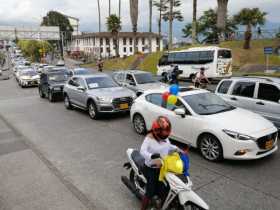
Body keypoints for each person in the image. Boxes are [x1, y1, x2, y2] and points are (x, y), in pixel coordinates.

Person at [139, 116, 180, 210]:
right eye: (164, 133)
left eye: (167, 133)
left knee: (165, 187)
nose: (165, 135)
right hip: (151, 169)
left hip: (163, 167)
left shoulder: (164, 137)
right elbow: (142, 151)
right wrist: (151, 156)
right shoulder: (149, 139)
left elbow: (168, 146)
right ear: (157, 131)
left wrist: (177, 149)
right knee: (150, 191)